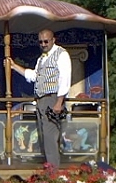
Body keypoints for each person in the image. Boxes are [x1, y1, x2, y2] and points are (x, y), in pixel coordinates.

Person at [6, 29, 71, 169]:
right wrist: (14, 66)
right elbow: (34, 76)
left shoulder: (61, 54)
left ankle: (53, 174)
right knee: (45, 137)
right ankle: (50, 169)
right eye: (41, 42)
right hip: (41, 99)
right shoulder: (42, 58)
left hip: (52, 98)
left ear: (53, 40)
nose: (43, 44)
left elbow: (65, 79)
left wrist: (59, 102)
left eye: (46, 41)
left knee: (50, 138)